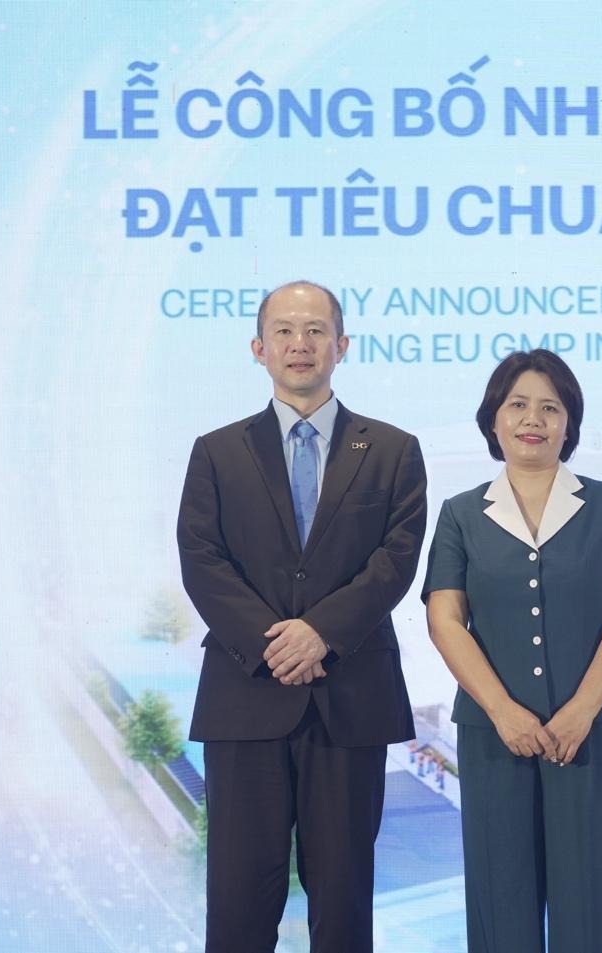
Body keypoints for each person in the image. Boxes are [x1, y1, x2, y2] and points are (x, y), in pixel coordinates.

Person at [177, 281, 427, 953]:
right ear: (258, 349)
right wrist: (275, 645)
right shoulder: (217, 451)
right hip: (245, 692)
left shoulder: (393, 449)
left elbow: (396, 558)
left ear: (342, 346)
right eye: (284, 330)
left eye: (316, 330)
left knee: (343, 898)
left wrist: (322, 633)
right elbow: (202, 559)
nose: (300, 343)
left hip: (350, 695)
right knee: (238, 897)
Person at [423, 349, 602, 953]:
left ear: (569, 422)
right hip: (493, 733)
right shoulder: (460, 514)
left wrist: (581, 710)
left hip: (591, 731)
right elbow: (444, 620)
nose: (534, 419)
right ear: (493, 419)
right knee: (500, 901)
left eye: (550, 408)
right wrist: (502, 709)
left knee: (589, 901)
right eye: (518, 405)